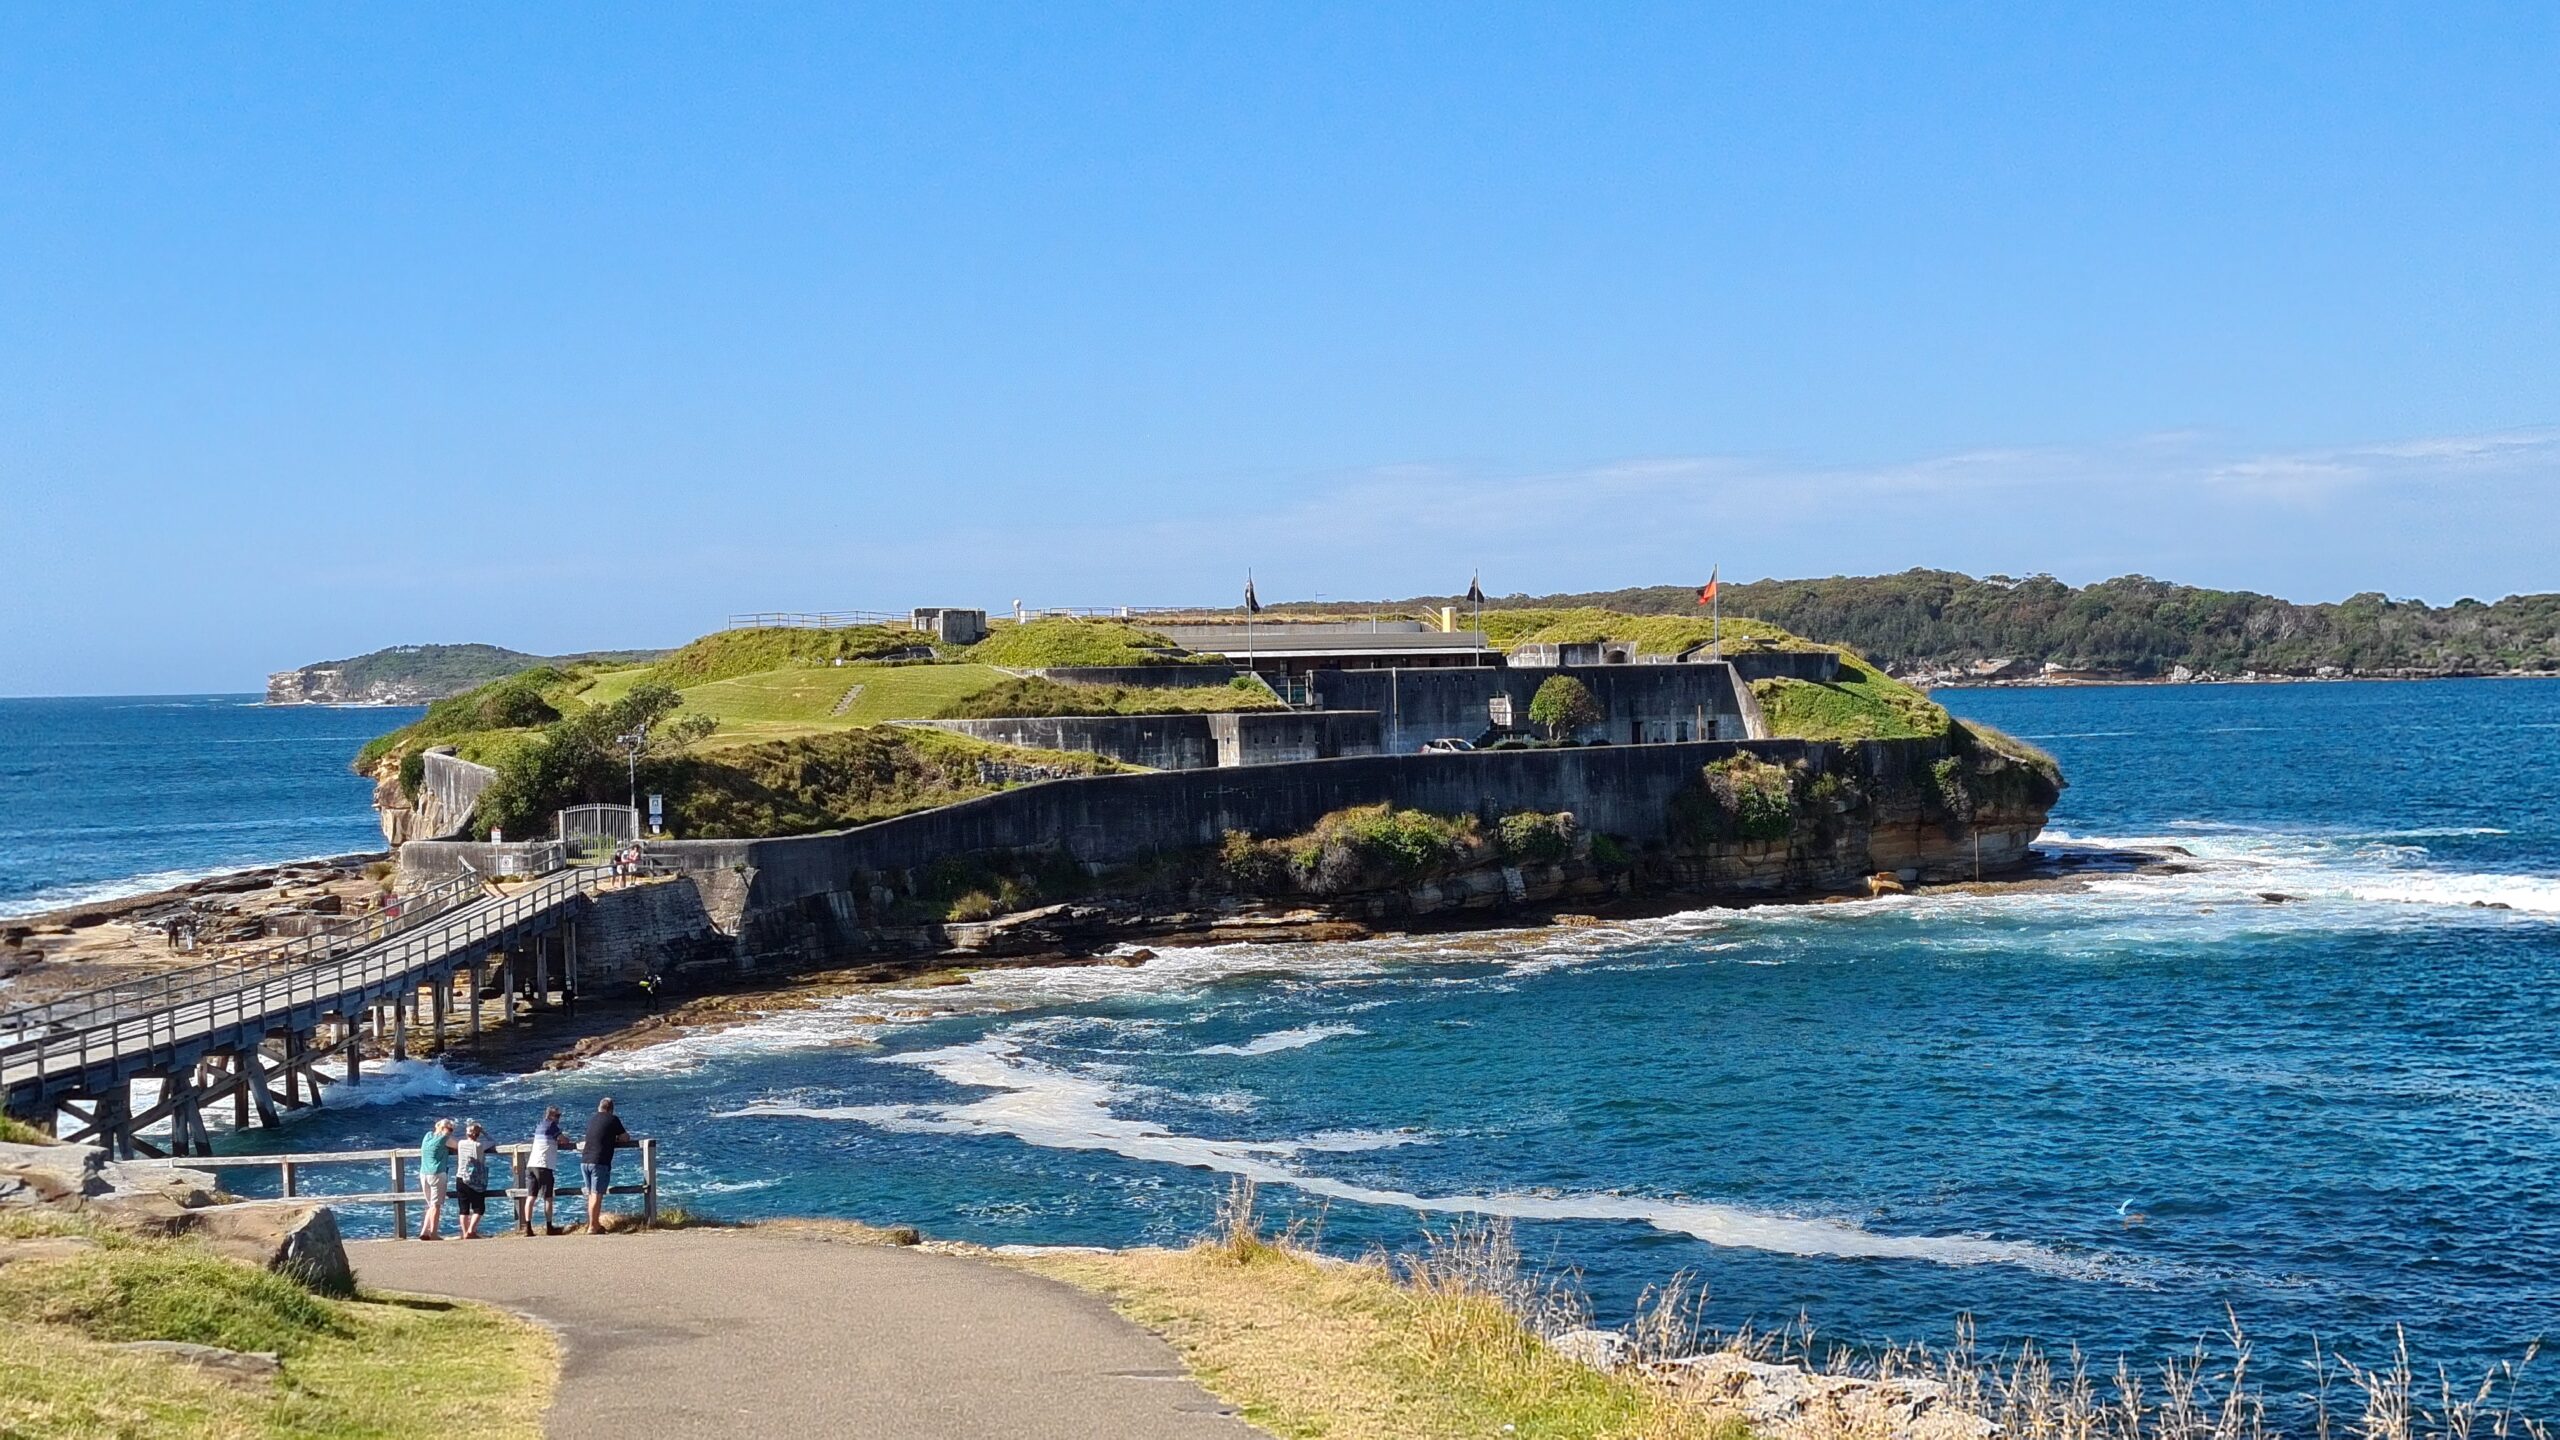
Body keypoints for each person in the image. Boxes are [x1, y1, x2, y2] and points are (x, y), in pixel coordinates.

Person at [577, 1096, 638, 1234]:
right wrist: (614, 1138)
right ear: (611, 1109)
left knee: (591, 1195)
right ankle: (593, 1226)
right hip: (599, 1161)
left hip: (585, 1160)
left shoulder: (592, 1119)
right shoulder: (612, 1119)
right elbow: (625, 1137)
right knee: (597, 1195)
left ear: (599, 1107)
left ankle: (592, 1223)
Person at [519, 1106, 566, 1236]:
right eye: (558, 1116)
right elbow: (564, 1139)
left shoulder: (540, 1125)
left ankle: (528, 1228)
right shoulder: (552, 1126)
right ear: (551, 1116)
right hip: (543, 1165)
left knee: (531, 1197)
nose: (559, 1118)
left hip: (531, 1164)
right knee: (548, 1197)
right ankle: (549, 1227)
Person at [415, 1117, 456, 1240]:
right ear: (444, 1128)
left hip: (424, 1173)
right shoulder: (445, 1138)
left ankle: (424, 1232)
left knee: (430, 1205)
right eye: (450, 1129)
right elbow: (458, 1145)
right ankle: (433, 1233)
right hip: (437, 1173)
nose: (451, 1132)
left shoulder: (428, 1136)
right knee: (436, 1205)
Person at [453, 1120, 493, 1239]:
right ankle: (471, 1231)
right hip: (475, 1179)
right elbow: (492, 1142)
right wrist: (484, 1131)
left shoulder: (460, 1143)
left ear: (467, 1133)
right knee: (479, 1207)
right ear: (478, 1134)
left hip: (460, 1177)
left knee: (463, 1208)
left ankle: (465, 1232)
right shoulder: (479, 1146)